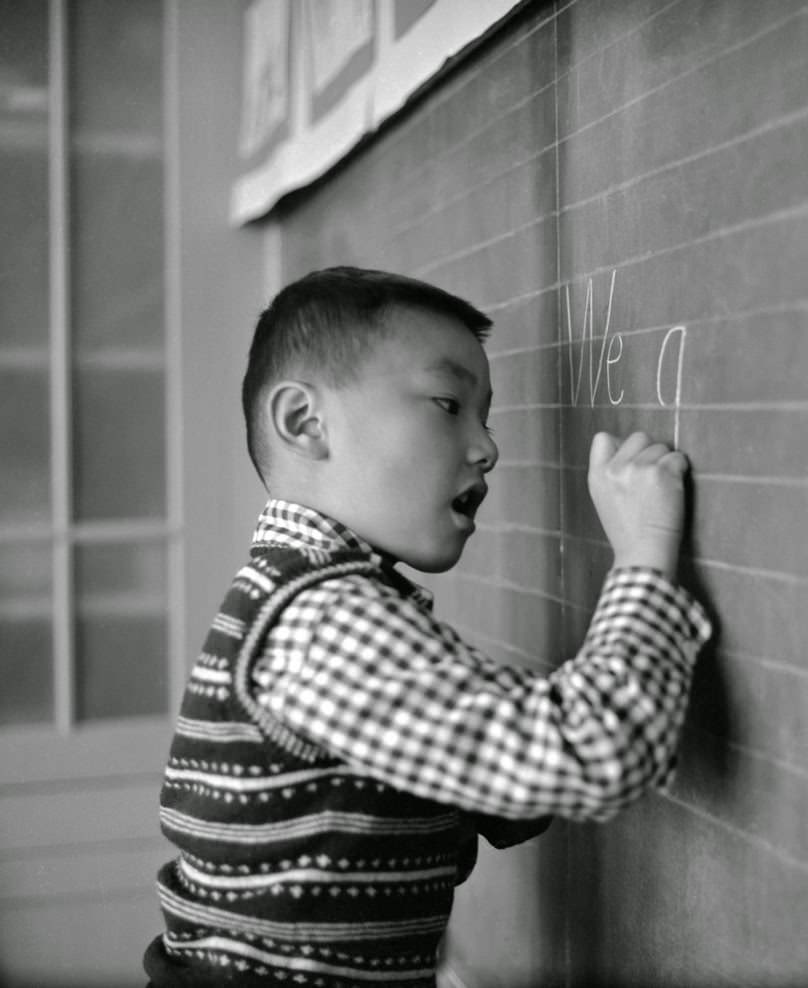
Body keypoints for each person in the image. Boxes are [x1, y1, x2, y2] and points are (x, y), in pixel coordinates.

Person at [144, 266, 711, 987]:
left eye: (486, 415)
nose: (488, 448)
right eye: (448, 404)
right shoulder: (326, 624)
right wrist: (644, 553)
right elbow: (596, 753)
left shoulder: (310, 601)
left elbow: (494, 787)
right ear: (304, 423)